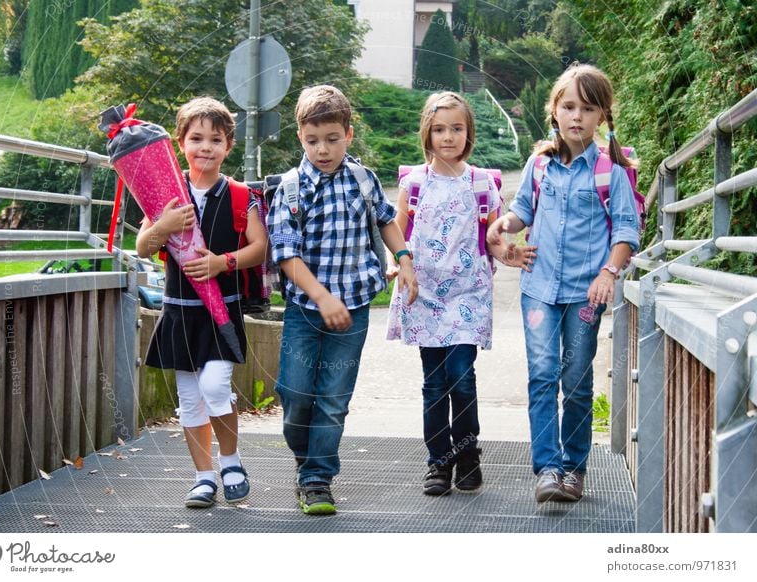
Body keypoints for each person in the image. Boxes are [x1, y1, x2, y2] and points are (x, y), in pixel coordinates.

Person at [486, 64, 640, 503]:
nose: (577, 116)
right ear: (554, 111)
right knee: (541, 375)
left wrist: (608, 272)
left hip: (586, 295)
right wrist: (504, 225)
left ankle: (574, 468)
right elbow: (522, 213)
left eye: (587, 109)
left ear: (601, 116)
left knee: (574, 377)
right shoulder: (539, 166)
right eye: (569, 106)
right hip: (539, 289)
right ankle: (548, 469)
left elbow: (626, 232)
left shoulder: (610, 171)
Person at [267, 85, 417, 515]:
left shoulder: (363, 179)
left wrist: (403, 259)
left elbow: (387, 221)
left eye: (332, 139)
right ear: (301, 137)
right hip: (304, 310)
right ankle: (305, 458)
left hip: (352, 308)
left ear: (348, 135)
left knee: (333, 397)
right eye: (313, 140)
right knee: (295, 394)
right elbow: (285, 254)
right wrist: (320, 296)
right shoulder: (291, 190)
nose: (323, 149)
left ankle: (317, 480)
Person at [386, 91, 535, 496]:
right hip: (425, 294)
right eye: (439, 129)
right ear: (427, 134)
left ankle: (468, 456)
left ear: (468, 133)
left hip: (468, 295)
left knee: (461, 379)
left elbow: (492, 237)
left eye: (456, 128)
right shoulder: (413, 183)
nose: (448, 137)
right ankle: (438, 463)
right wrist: (400, 262)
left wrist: (508, 252)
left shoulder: (482, 183)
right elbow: (397, 231)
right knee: (434, 383)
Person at [136, 97, 267, 508]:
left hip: (221, 312)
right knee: (189, 398)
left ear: (229, 145)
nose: (205, 147)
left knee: (214, 385)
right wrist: (164, 224)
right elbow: (141, 247)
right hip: (178, 311)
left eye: (216, 139)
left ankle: (230, 461)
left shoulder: (241, 196)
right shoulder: (166, 194)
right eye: (196, 138)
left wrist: (222, 262)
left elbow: (260, 248)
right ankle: (203, 476)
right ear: (181, 143)